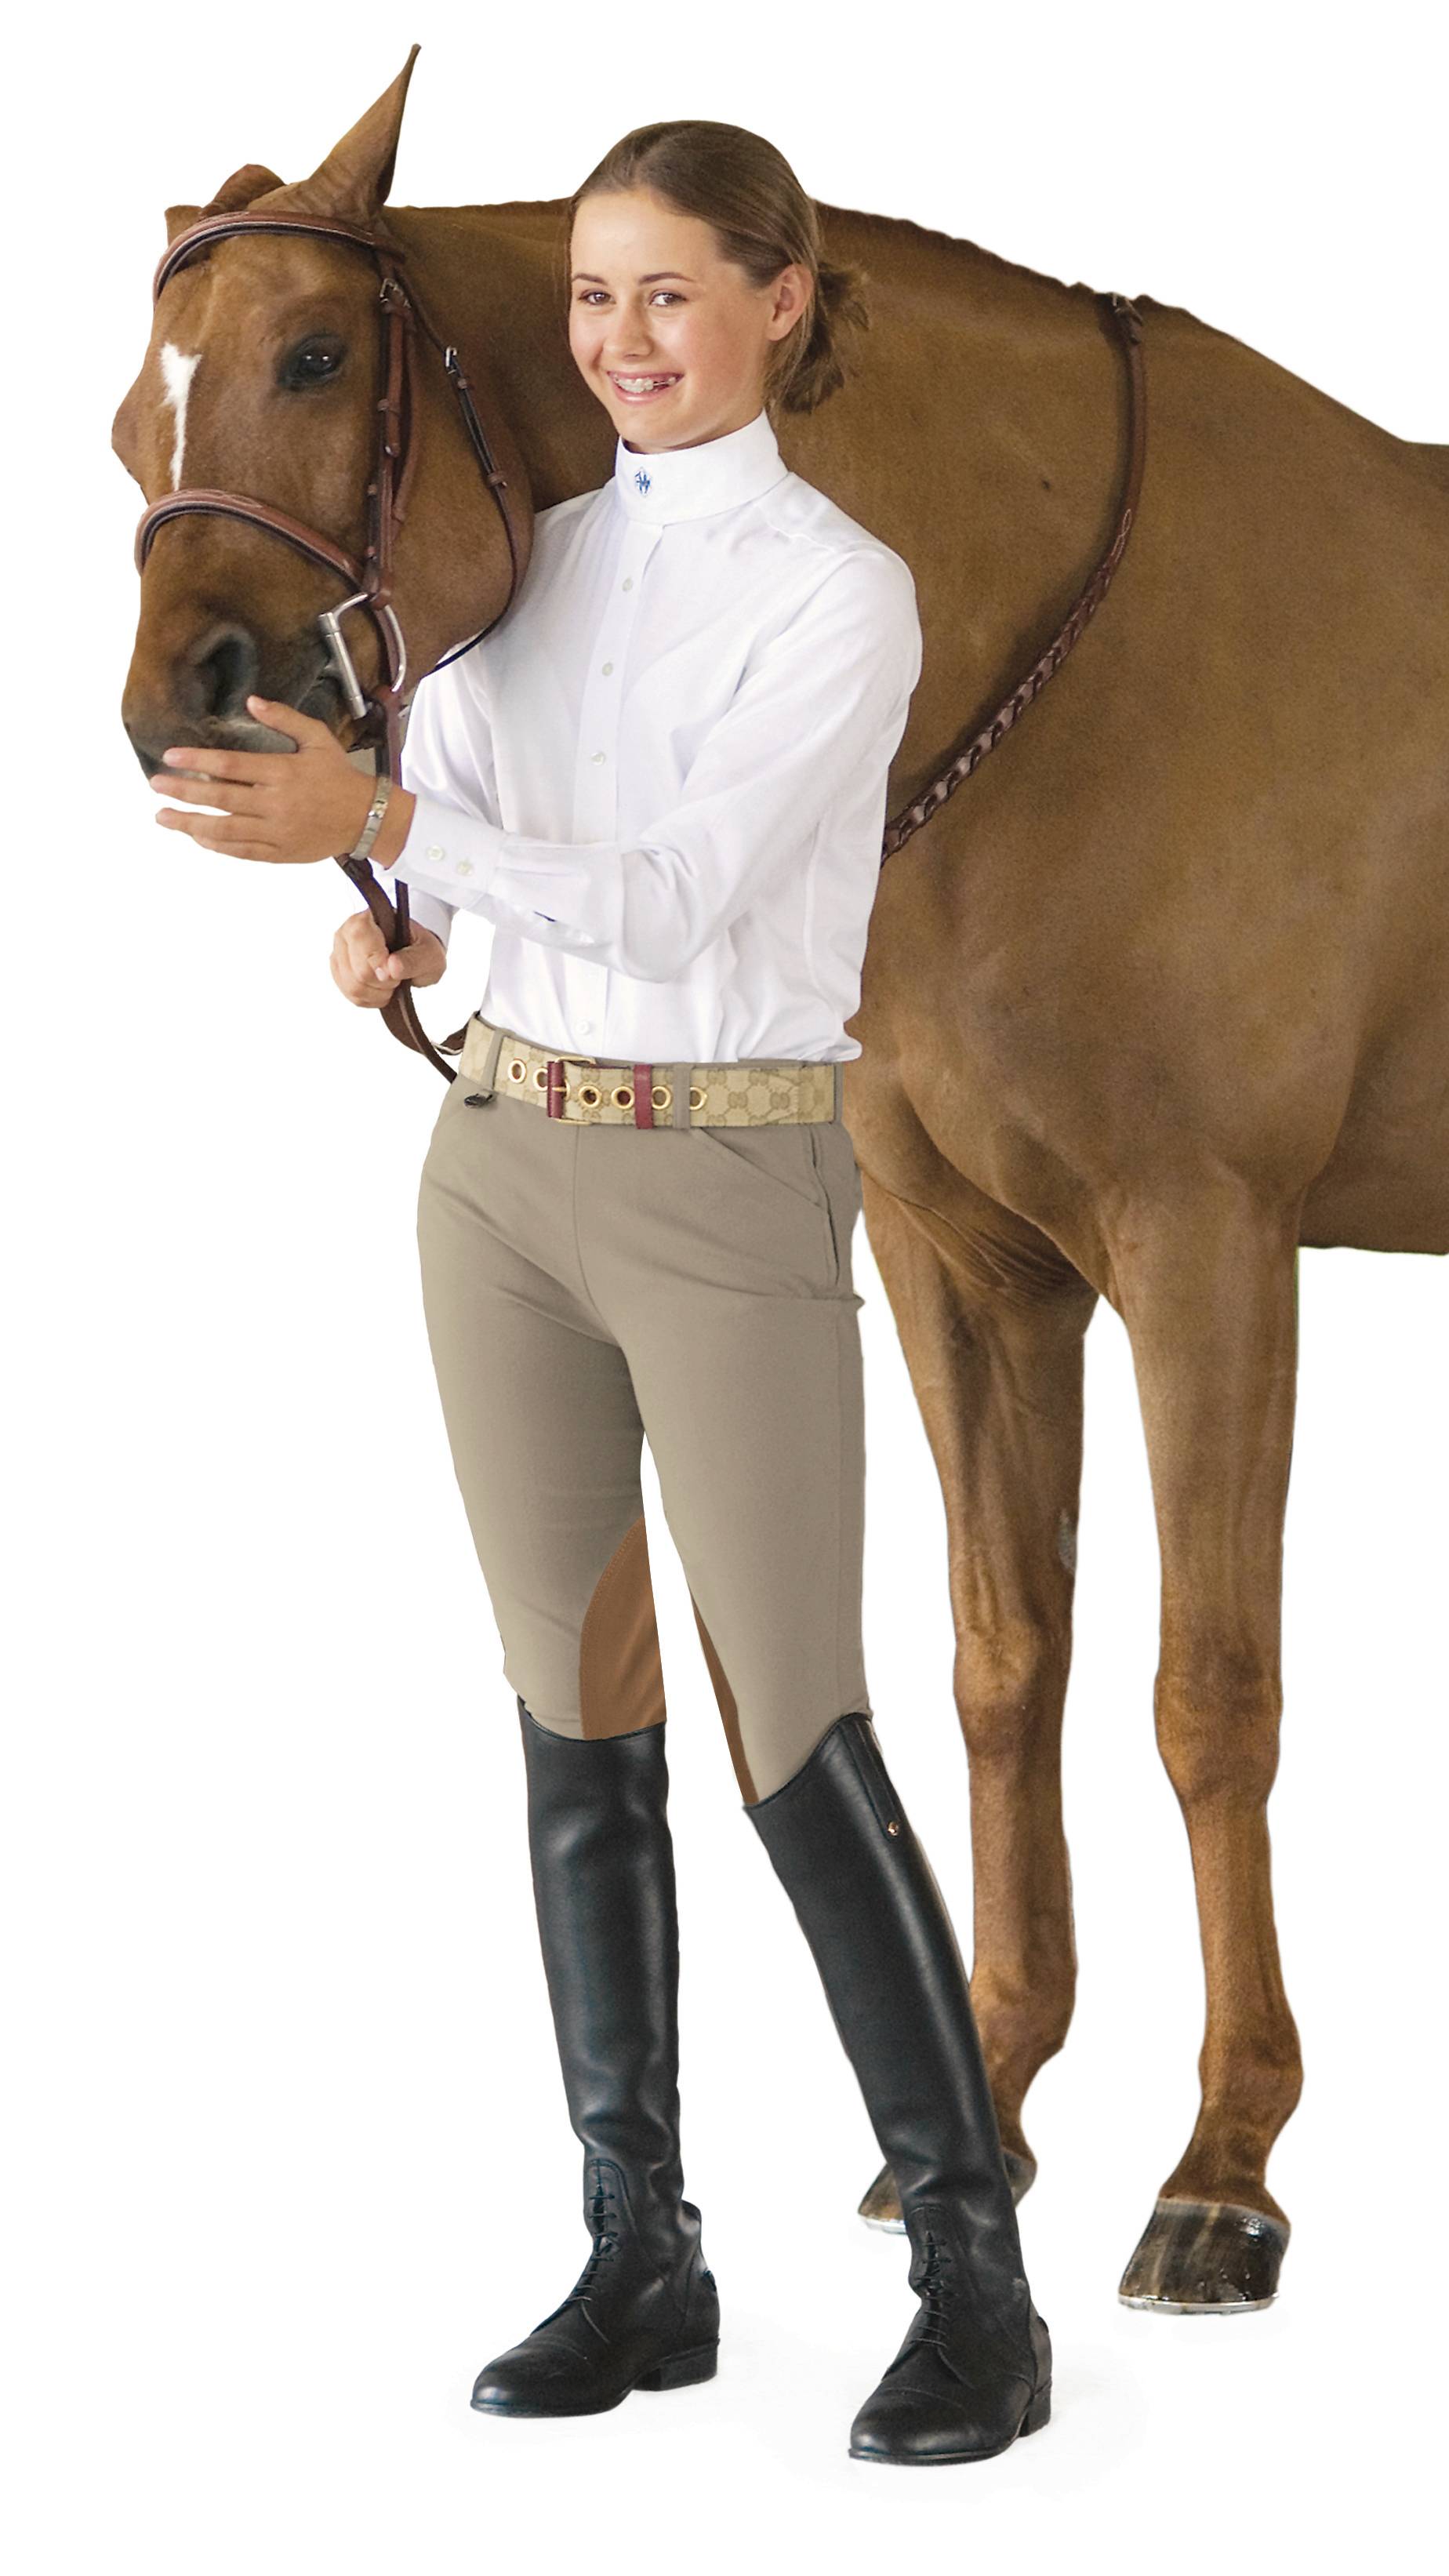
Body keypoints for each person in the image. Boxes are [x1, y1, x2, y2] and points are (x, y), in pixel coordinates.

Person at [153, 119, 1051, 2469]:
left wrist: (385, 821)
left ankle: (978, 2283)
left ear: (780, 298)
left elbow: (669, 897)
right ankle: (641, 2249)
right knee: (575, 1715)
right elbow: (479, 842)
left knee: (800, 1734)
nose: (624, 341)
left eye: (669, 292)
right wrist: (398, 926)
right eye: (589, 298)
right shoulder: (520, 566)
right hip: (499, 1179)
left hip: (726, 1178)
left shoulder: (842, 596)